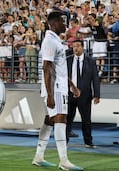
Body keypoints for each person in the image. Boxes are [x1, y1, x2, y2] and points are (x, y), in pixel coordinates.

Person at [32, 11, 83, 171]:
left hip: (58, 86)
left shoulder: (54, 41)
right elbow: (46, 68)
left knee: (50, 120)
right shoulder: (50, 41)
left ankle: (39, 157)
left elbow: (56, 69)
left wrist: (72, 85)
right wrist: (50, 95)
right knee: (61, 119)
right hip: (55, 89)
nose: (65, 24)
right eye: (62, 21)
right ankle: (64, 160)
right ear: (53, 23)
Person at [66, 39, 100, 148]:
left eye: (77, 46)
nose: (75, 48)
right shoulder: (68, 60)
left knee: (86, 120)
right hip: (70, 94)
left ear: (82, 47)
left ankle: (88, 141)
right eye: (73, 46)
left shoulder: (90, 61)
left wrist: (97, 95)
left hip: (85, 95)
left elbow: (95, 79)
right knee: (67, 119)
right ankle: (64, 141)